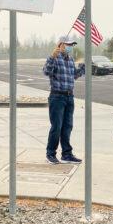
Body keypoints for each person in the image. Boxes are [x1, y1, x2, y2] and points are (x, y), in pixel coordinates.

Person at [43, 36, 85, 164]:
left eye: (72, 45)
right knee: (57, 126)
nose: (70, 47)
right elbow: (46, 71)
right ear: (60, 45)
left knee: (67, 126)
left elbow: (74, 75)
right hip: (57, 97)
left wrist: (82, 68)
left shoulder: (70, 59)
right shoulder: (55, 58)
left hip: (69, 97)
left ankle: (66, 154)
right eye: (68, 44)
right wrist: (52, 57)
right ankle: (51, 153)